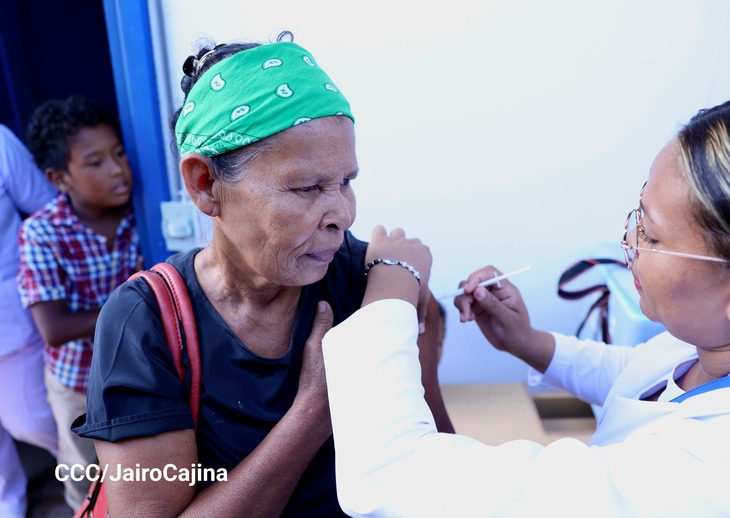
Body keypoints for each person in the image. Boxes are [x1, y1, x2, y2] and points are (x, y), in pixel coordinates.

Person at [322, 85, 730, 516]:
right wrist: (529, 343)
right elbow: (644, 376)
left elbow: (391, 480)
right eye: (637, 214)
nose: (627, 242)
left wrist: (393, 283)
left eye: (650, 234)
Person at [72, 33, 453, 517]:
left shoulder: (369, 281)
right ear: (205, 184)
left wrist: (403, 296)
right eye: (306, 187)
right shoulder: (145, 326)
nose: (343, 214)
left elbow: (437, 464)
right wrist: (314, 410)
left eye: (346, 181)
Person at [17, 95, 141, 512]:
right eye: (95, 162)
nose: (117, 169)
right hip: (77, 382)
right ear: (60, 178)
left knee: (140, 468)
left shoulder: (140, 211)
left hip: (135, 368)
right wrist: (135, 298)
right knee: (85, 471)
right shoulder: (43, 232)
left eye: (118, 153)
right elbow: (54, 328)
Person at [0, 124, 59, 518]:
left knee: (34, 421)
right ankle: (9, 502)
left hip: (10, 319)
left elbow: (48, 209)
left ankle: (98, 476)